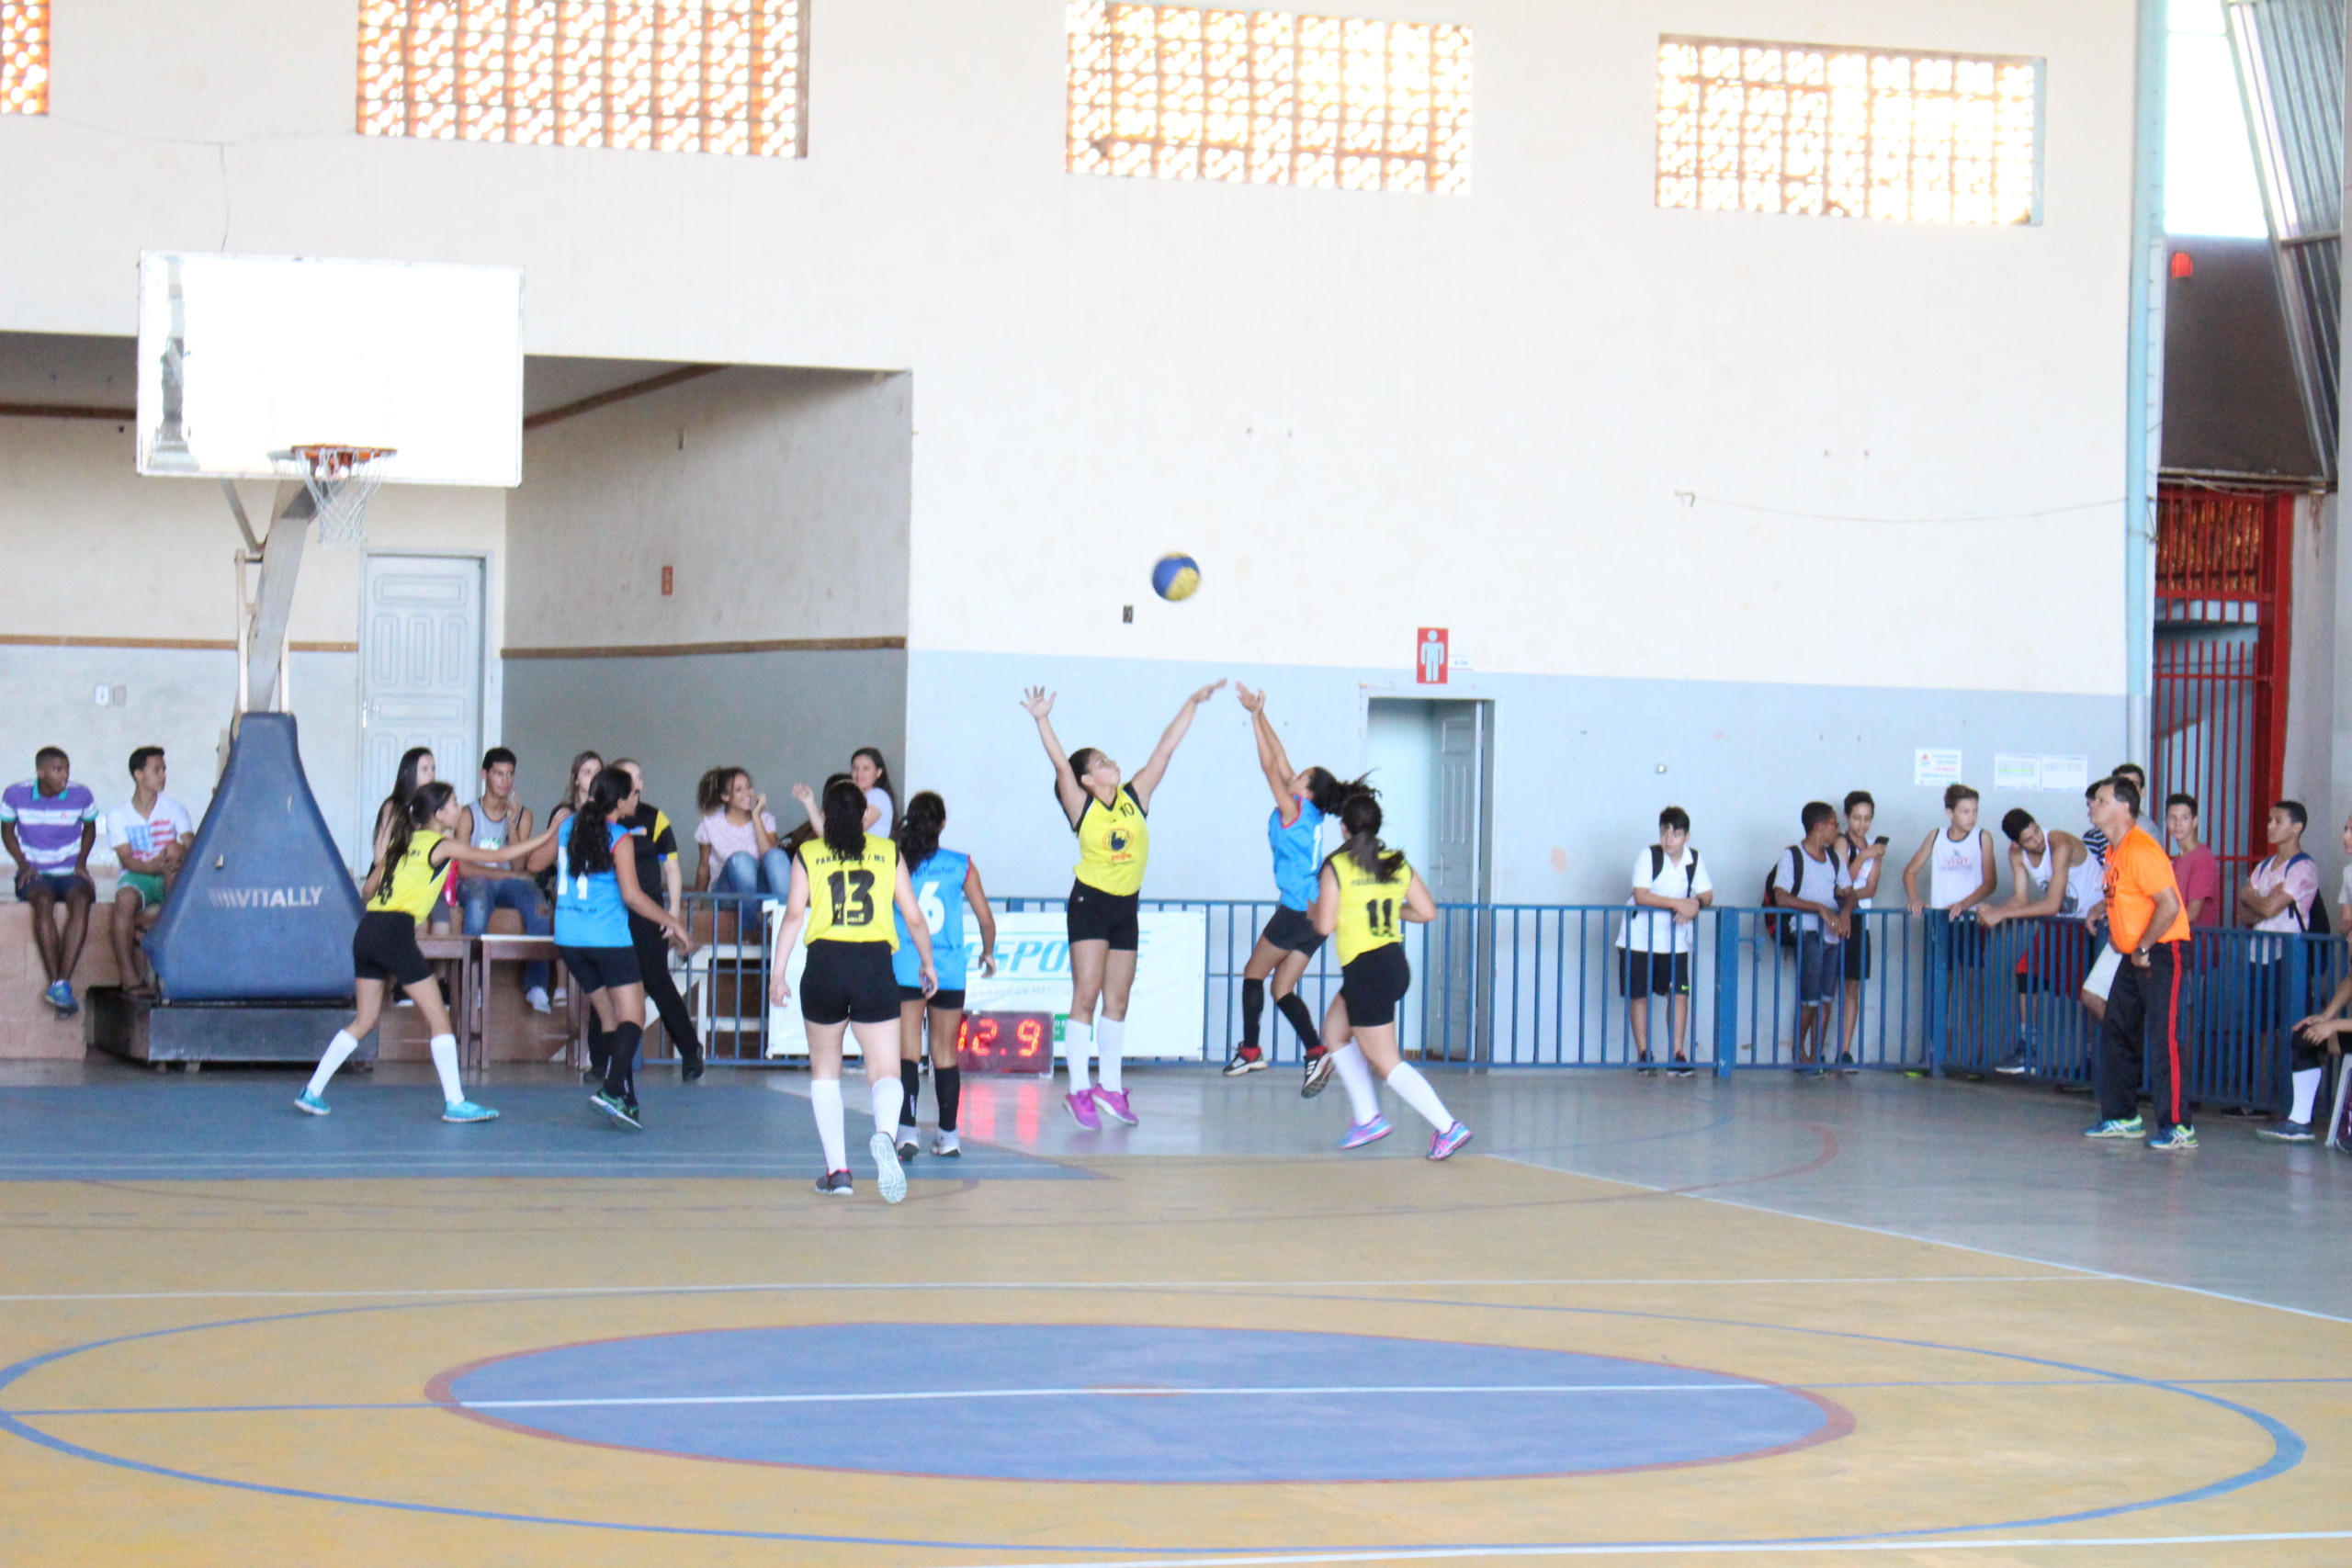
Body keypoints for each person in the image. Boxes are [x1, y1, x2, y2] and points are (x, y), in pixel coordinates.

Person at [1019, 680, 1224, 1130]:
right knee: (1086, 995)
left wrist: (1190, 702)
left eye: (1109, 759)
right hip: (1090, 903)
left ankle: (1110, 1087)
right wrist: (1042, 719)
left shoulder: (1135, 797)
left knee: (1119, 999)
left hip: (1125, 908)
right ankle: (1077, 1091)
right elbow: (1059, 762)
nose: (1111, 763)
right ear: (1087, 780)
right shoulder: (1081, 806)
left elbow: (1164, 750)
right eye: (1100, 763)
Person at [296, 781, 557, 1122]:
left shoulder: (400, 843)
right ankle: (455, 1102)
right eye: (452, 804)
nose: (458, 808)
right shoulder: (441, 845)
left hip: (368, 930)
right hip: (394, 933)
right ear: (438, 813)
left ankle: (312, 1091)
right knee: (439, 1017)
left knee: (365, 1019)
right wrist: (550, 833)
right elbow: (499, 856)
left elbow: (369, 888)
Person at [767, 776, 937, 1200]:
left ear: (823, 816)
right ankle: (883, 1133)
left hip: (824, 964)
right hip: (873, 965)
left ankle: (838, 1172)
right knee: (885, 1070)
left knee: (826, 1072)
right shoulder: (886, 851)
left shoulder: (808, 853)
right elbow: (913, 916)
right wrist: (928, 962)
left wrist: (778, 972)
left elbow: (792, 916)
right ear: (865, 815)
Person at [1310, 784, 1471, 1159]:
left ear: (1344, 830)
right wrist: (1393, 908)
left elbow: (1323, 925)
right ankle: (1367, 1117)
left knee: (1386, 1061)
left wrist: (1310, 907)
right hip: (1391, 963)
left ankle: (1447, 1126)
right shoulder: (1396, 862)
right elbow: (1427, 912)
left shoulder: (1338, 867)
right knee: (1334, 1033)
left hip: (1366, 971)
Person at [556, 767, 695, 1130]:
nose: (638, 799)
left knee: (609, 1017)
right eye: (633, 793)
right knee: (632, 1017)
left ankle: (627, 1100)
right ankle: (613, 1087)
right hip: (607, 938)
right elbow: (633, 896)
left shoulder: (568, 826)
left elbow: (538, 863)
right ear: (620, 801)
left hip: (569, 936)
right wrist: (674, 921)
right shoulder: (619, 836)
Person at [1223, 685, 1347, 1088]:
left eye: (1297, 777)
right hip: (1316, 912)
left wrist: (1253, 722)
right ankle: (1315, 1052)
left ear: (1305, 791)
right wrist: (1259, 714)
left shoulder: (1293, 809)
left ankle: (1251, 1051)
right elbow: (1279, 759)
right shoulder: (1307, 809)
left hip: (1295, 910)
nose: (1289, 775)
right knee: (1282, 988)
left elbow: (1267, 765)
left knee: (1253, 974)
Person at [2082, 774, 2197, 1150]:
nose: (2092, 806)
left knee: (2166, 1037)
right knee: (2118, 1029)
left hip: (2161, 951)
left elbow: (2169, 904)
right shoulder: (2115, 852)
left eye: (2100, 800)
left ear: (2124, 807)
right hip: (2131, 954)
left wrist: (2144, 945)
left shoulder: (2141, 848)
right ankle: (2122, 1116)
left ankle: (2179, 1126)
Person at [883, 789, 998, 1157]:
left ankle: (907, 1131)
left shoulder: (895, 861)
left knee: (907, 1054)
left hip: (905, 966)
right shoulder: (961, 864)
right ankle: (949, 1134)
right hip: (948, 969)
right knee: (945, 1053)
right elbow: (984, 918)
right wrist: (988, 951)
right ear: (943, 824)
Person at [1979, 808, 2101, 1074]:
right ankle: (2028, 1048)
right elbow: (2020, 899)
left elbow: (2052, 903)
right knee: (2026, 970)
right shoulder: (2016, 855)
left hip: (2093, 924)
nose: (2037, 840)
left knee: (2092, 991)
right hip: (2062, 924)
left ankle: (2095, 1058)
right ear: (2016, 844)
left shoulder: (2060, 843)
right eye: (2028, 839)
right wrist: (1990, 911)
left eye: (2036, 830)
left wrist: (2000, 914)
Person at [615, 759, 705, 1082]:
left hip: (648, 911)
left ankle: (691, 1050)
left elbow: (672, 869)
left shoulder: (655, 818)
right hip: (613, 913)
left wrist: (672, 913)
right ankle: (601, 1061)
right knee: (609, 981)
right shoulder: (607, 820)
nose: (636, 783)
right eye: (628, 777)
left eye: (639, 776)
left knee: (657, 981)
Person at [2, 747, 100, 1015]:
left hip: (69, 871)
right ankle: (58, 984)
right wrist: (23, 865)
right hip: (35, 871)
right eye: (58, 770)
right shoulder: (15, 794)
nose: (65, 775)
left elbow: (90, 826)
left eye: (67, 769)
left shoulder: (81, 794)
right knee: (42, 901)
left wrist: (81, 863)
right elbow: (7, 829)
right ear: (41, 772)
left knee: (81, 901)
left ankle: (60, 983)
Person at [455, 747, 552, 1013]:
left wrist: (511, 823)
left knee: (538, 906)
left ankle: (537, 985)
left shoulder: (523, 815)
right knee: (476, 904)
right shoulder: (468, 814)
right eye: (498, 774)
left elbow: (521, 866)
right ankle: (473, 985)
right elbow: (463, 867)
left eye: (510, 775)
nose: (505, 781)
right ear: (484, 775)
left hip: (510, 883)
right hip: (476, 880)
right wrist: (506, 873)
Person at [1618, 805, 1713, 1076]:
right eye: (1664, 833)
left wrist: (1693, 904)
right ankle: (1644, 1054)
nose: (1668, 840)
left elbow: (1707, 894)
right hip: (1638, 938)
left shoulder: (1694, 860)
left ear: (1687, 836)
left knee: (1679, 993)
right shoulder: (1648, 856)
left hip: (1675, 941)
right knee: (1639, 994)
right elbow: (1641, 895)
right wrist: (1678, 905)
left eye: (1676, 834)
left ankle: (1677, 1054)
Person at [102, 747, 194, 998]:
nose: (163, 775)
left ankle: (141, 928)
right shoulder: (119, 815)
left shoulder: (175, 809)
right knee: (125, 898)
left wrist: (174, 852)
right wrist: (156, 865)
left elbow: (191, 844)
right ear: (139, 774)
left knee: (174, 852)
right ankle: (129, 978)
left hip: (170, 876)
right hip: (140, 876)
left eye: (164, 769)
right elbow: (128, 860)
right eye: (157, 770)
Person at [1771, 802, 1850, 1075]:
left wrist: (1847, 912)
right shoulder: (1792, 856)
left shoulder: (1834, 859)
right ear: (1820, 826)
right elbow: (1781, 896)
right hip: (1808, 931)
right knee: (1810, 997)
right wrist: (1819, 908)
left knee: (1826, 995)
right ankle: (1799, 1052)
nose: (1837, 830)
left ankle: (1817, 1054)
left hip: (1832, 935)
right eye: (1834, 824)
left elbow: (1848, 891)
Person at [1833, 792, 1890, 1068]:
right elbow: (1842, 882)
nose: (1862, 824)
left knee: (1852, 985)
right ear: (1847, 817)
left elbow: (1870, 887)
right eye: (1857, 818)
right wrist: (1865, 855)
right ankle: (1816, 1050)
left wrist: (1873, 855)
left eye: (1867, 819)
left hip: (1861, 918)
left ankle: (1845, 1050)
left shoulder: (1872, 846)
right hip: (1840, 917)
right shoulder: (1842, 842)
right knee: (1826, 988)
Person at [695, 766, 790, 900]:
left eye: (749, 787)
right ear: (725, 797)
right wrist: (697, 899)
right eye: (739, 789)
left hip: (760, 891)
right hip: (727, 892)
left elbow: (770, 856)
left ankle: (785, 915)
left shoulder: (765, 819)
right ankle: (748, 921)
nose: (748, 793)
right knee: (741, 860)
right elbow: (704, 866)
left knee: (777, 855)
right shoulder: (710, 824)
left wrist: (756, 816)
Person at [2165, 794, 2222, 928]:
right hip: (2178, 940)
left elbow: (2192, 913)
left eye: (2185, 818)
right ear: (2167, 822)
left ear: (2194, 822)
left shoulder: (2202, 859)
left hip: (2196, 943)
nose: (2178, 824)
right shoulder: (2178, 859)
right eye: (2173, 818)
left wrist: (2157, 928)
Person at [851, 747, 898, 833]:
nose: (859, 773)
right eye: (855, 768)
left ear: (878, 773)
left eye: (865, 768)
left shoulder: (877, 795)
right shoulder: (859, 797)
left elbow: (854, 830)